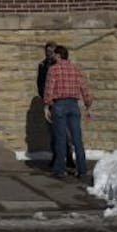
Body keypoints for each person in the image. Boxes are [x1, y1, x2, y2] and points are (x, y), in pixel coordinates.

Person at [43, 45, 93, 180]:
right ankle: (82, 169)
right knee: (77, 138)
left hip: (59, 105)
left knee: (60, 138)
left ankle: (60, 169)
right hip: (73, 105)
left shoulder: (53, 70)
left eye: (54, 54)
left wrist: (47, 105)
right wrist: (88, 106)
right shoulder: (75, 69)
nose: (52, 56)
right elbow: (84, 88)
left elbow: (49, 88)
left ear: (59, 55)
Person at [37, 41, 75, 171]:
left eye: (51, 52)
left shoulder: (58, 66)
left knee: (66, 132)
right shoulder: (42, 65)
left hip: (59, 101)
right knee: (53, 133)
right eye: (47, 52)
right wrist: (45, 100)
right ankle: (56, 157)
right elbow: (41, 84)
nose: (49, 54)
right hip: (50, 102)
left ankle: (68, 157)